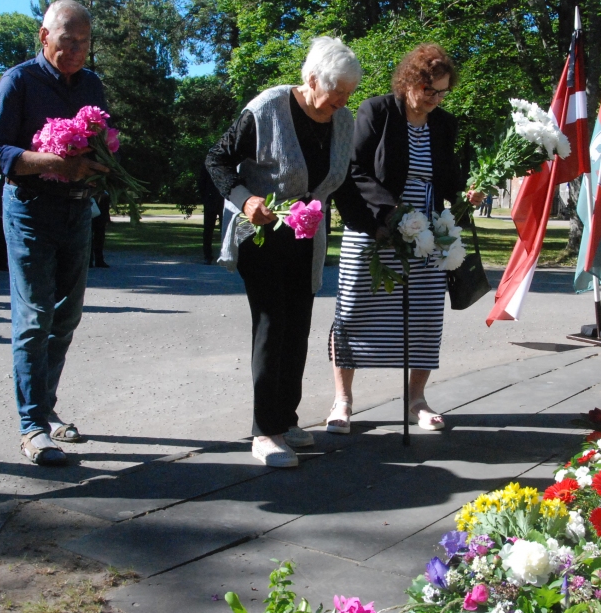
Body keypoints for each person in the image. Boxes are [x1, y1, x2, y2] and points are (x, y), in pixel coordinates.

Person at [206, 36, 369, 468]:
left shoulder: (342, 120)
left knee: (298, 327)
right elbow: (216, 160)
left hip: (306, 237)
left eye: (348, 95)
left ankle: (286, 418)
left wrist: (382, 227)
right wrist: (246, 200)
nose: (341, 103)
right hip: (261, 233)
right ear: (311, 79)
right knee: (272, 323)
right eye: (336, 94)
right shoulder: (267, 109)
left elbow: (343, 185)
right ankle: (265, 432)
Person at [327, 43, 483, 434]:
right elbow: (355, 170)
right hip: (375, 225)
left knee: (425, 315)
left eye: (442, 92)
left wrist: (466, 194)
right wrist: (391, 213)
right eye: (429, 90)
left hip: (426, 232)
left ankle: (417, 401)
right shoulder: (377, 111)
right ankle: (342, 401)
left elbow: (448, 178)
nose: (435, 99)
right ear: (409, 81)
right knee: (353, 312)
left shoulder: (443, 124)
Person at [0, 0, 110, 467]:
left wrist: (104, 161)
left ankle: (45, 407)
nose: (76, 51)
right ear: (44, 36)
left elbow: (102, 138)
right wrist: (53, 162)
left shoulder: (92, 84)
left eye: (84, 43)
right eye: (67, 40)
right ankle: (32, 426)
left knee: (65, 317)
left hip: (77, 209)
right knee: (35, 317)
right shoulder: (18, 81)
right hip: (29, 210)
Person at [198, 161, 224, 264]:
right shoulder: (207, 164)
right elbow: (201, 182)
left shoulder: (224, 163)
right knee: (208, 229)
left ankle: (222, 254)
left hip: (220, 200)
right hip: (212, 199)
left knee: (223, 229)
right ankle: (208, 255)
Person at [89, 189, 109, 268]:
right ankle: (90, 259)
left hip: (101, 215)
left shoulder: (104, 192)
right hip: (91, 213)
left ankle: (99, 259)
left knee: (99, 237)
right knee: (89, 237)